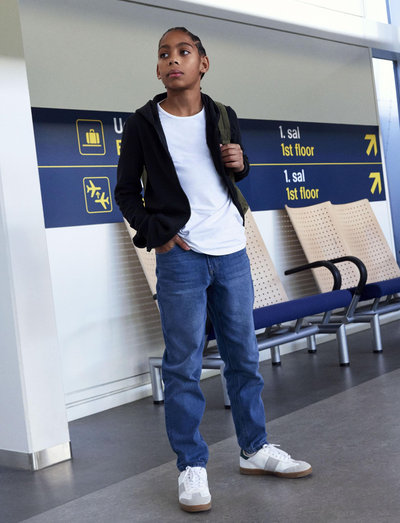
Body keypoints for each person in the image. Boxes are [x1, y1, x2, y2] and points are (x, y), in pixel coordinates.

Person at [115, 27, 312, 513]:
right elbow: (126, 191)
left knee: (243, 356)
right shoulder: (143, 123)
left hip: (231, 251)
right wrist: (155, 234)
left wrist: (241, 163)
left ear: (203, 63)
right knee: (183, 364)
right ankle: (191, 465)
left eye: (183, 52)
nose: (172, 60)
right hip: (180, 257)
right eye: (164, 54)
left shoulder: (224, 115)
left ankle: (255, 448)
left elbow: (234, 172)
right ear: (158, 68)